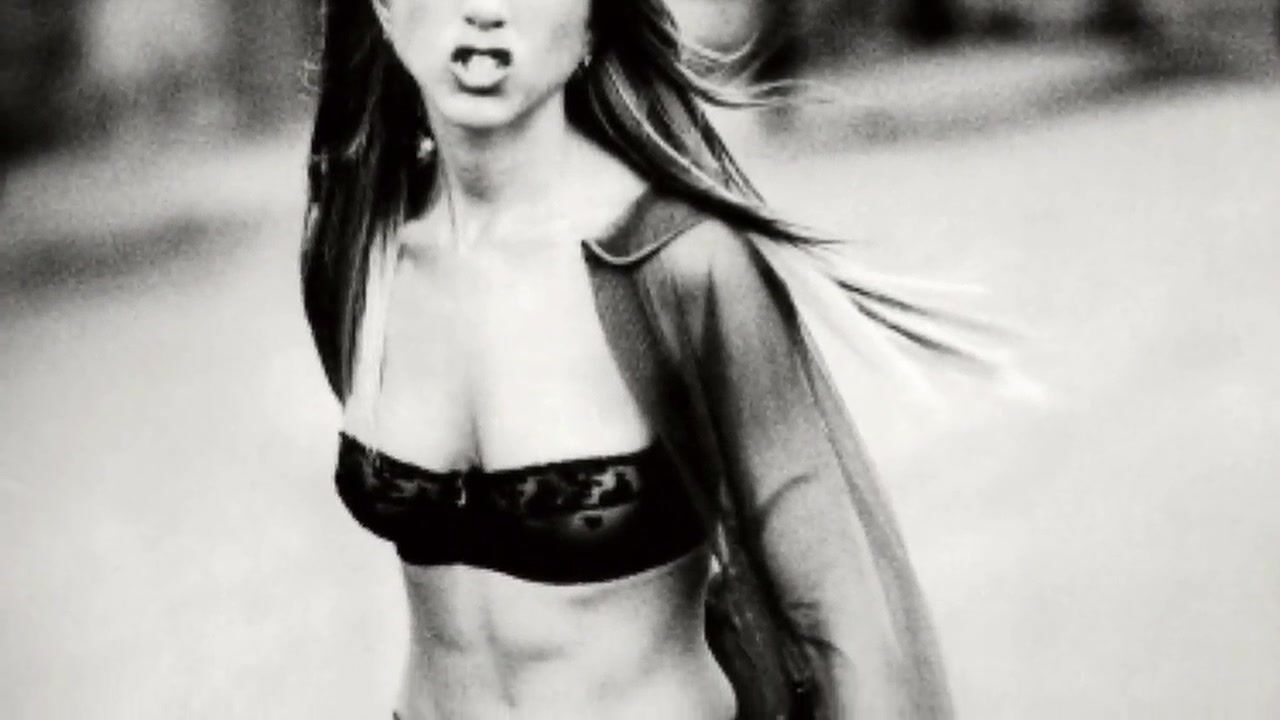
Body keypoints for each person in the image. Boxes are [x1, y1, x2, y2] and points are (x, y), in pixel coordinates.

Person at [301, 0, 960, 717]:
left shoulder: (683, 264)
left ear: (596, 23)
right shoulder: (359, 256)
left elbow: (842, 617)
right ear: (385, 11)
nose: (485, 10)